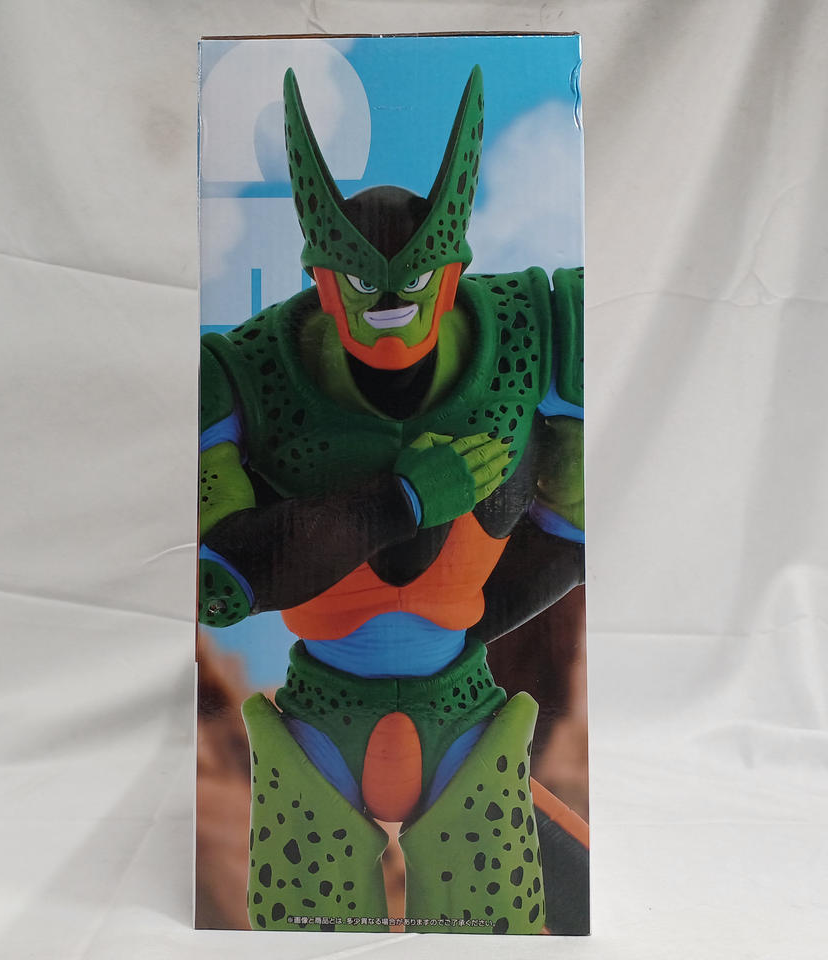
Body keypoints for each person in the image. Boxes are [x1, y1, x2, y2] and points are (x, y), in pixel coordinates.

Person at [197, 65, 587, 934]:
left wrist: (469, 613)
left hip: (465, 712)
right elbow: (218, 582)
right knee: (303, 937)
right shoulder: (242, 371)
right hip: (318, 724)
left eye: (411, 289)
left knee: (497, 934)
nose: (387, 311)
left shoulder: (541, 328)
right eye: (360, 290)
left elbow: (580, 526)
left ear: (451, 275)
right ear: (320, 278)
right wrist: (402, 501)